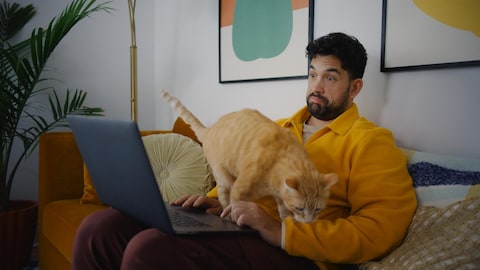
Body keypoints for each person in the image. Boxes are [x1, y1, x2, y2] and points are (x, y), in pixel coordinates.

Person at [72, 32, 417, 270]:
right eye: (312, 75)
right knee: (101, 228)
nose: (316, 88)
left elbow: (380, 230)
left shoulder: (370, 141)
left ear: (354, 88)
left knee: (150, 251)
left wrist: (281, 231)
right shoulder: (280, 127)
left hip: (298, 256)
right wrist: (213, 201)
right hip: (239, 229)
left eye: (330, 78)